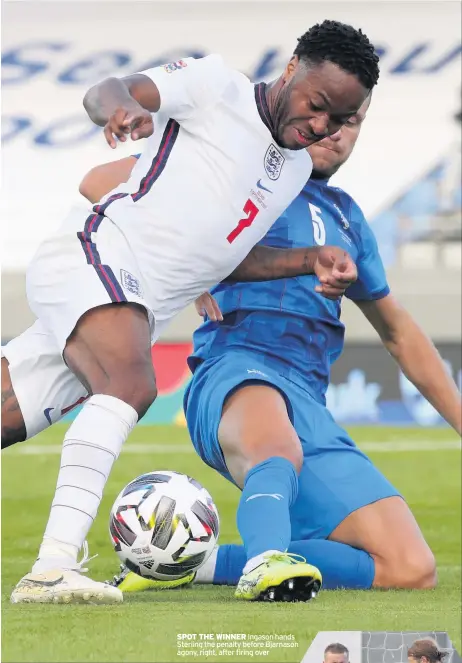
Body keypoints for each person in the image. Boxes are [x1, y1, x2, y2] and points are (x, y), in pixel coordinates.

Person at [4, 20, 379, 605]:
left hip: (125, 304)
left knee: (9, 411)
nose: (320, 126)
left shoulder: (297, 169)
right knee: (128, 383)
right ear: (292, 68)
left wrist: (313, 258)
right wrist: (124, 109)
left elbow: (227, 256)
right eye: (317, 105)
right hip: (97, 253)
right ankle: (53, 567)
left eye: (340, 119)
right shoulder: (215, 87)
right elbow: (106, 89)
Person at [111, 93, 461, 598]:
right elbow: (100, 185)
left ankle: (197, 563)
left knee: (409, 567)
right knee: (277, 448)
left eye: (353, 123)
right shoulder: (241, 177)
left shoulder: (348, 218)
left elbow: (399, 332)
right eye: (330, 117)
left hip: (307, 402)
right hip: (235, 366)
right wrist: (191, 261)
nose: (337, 132)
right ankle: (265, 565)